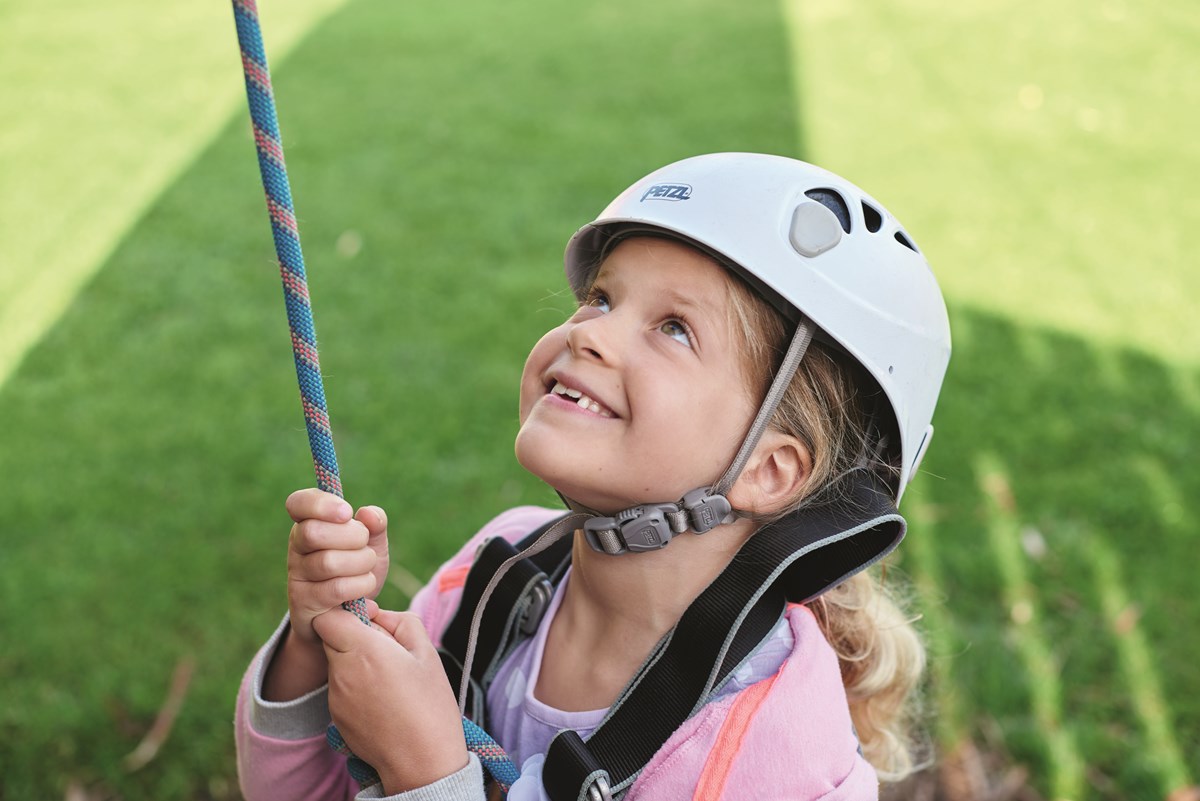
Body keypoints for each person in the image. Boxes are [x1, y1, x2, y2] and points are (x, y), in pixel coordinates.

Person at [235, 153, 952, 800]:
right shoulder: (493, 581)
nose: (587, 331)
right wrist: (311, 646)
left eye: (673, 327)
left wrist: (428, 773)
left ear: (769, 469)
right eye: (603, 298)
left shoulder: (770, 747)